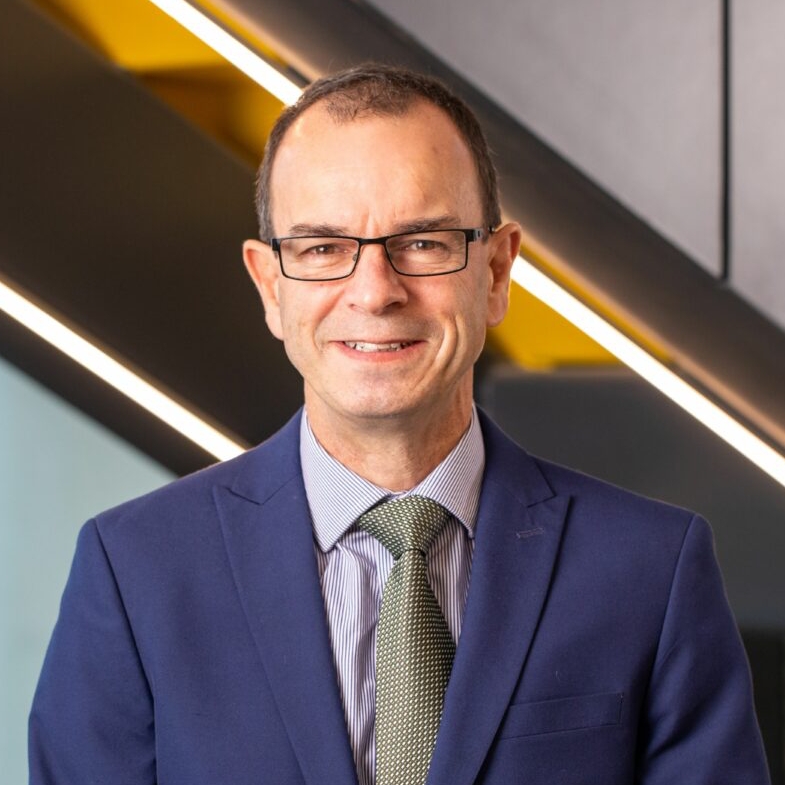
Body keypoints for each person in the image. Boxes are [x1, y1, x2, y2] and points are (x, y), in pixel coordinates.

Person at [29, 64, 770, 785]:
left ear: (496, 272)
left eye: (421, 242)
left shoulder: (651, 568)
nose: (375, 291)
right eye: (322, 248)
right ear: (269, 284)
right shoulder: (134, 571)